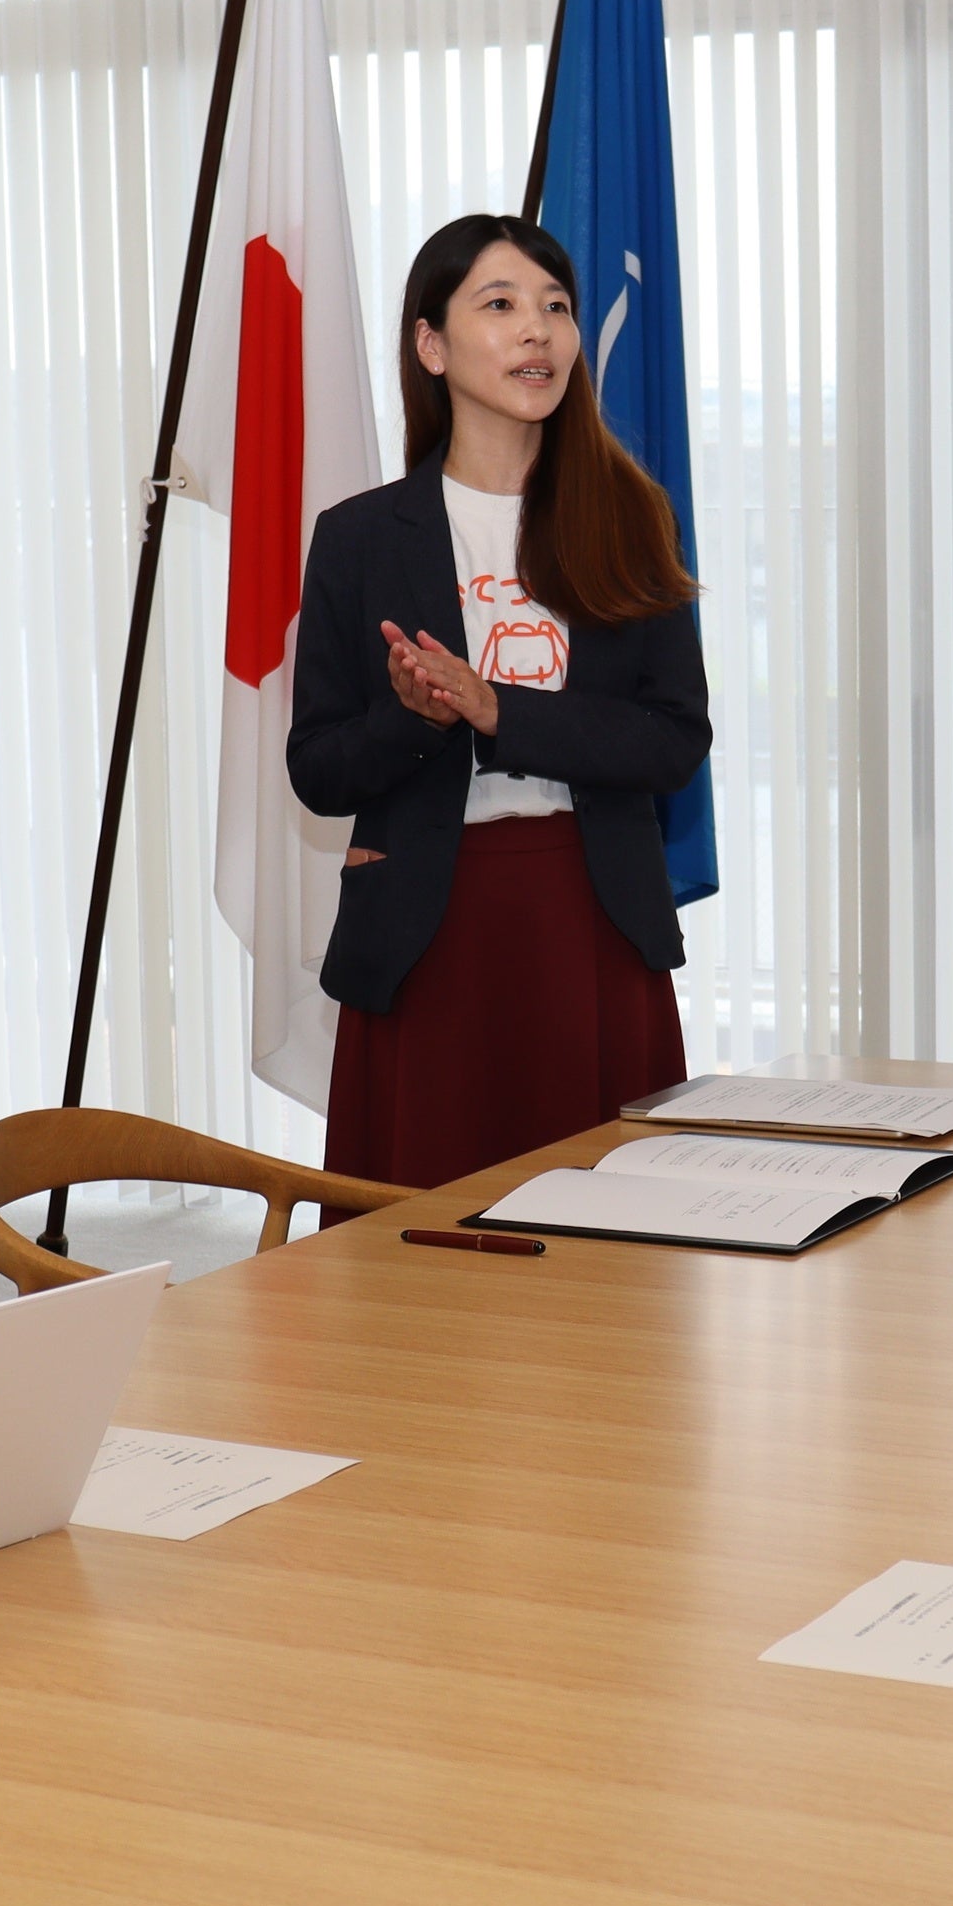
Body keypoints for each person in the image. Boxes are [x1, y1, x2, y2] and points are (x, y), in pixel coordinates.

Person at [290, 213, 711, 1186]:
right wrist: (417, 716)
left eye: (556, 307)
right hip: (427, 929)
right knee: (425, 1242)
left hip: (591, 914)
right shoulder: (360, 538)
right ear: (430, 344)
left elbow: (673, 740)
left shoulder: (631, 515)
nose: (540, 330)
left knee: (605, 1248)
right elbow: (318, 770)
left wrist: (496, 710)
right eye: (502, 304)